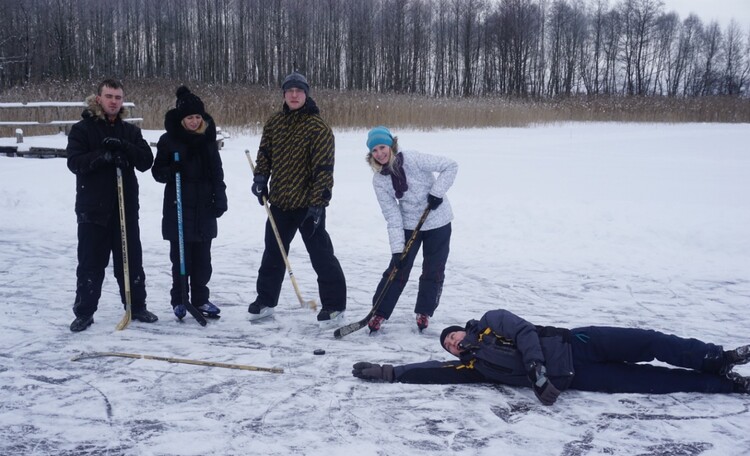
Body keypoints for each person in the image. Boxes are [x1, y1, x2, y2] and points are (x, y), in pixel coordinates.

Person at [352, 308, 750, 403]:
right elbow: (433, 372)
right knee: (654, 382)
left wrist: (535, 367)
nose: (454, 344)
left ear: (461, 328)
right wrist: (391, 371)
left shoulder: (490, 322)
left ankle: (718, 356)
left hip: (578, 343)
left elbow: (525, 331)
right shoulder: (474, 366)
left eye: (453, 336)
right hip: (578, 378)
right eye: (450, 346)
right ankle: (725, 384)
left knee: (650, 342)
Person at [249, 71, 347, 326]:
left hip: (308, 205)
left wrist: (318, 205)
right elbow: (264, 154)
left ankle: (334, 306)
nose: (294, 95)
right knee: (273, 253)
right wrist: (260, 177)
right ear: (284, 94)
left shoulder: (319, 127)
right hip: (280, 202)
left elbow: (324, 170)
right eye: (289, 91)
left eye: (299, 91)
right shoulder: (274, 122)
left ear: (306, 94)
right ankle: (265, 301)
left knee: (321, 255)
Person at [66, 78, 158, 332]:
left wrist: (124, 148)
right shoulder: (83, 130)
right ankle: (84, 312)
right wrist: (103, 156)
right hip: (92, 208)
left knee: (130, 261)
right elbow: (74, 162)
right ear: (99, 99)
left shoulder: (130, 131)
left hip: (125, 208)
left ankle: (136, 306)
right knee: (90, 263)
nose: (114, 102)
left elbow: (145, 160)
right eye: (109, 97)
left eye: (118, 97)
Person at [364, 126, 458, 333]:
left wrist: (436, 192)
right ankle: (378, 312)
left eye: (382, 147)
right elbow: (392, 215)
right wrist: (398, 249)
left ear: (391, 145)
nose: (379, 153)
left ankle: (424, 311)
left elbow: (450, 166)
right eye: (375, 151)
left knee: (433, 269)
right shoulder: (379, 180)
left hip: (438, 221)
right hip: (409, 226)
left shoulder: (413, 159)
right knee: (398, 268)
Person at [152, 86, 227, 320]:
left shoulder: (207, 140)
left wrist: (220, 197)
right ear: (181, 119)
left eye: (197, 117)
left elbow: (217, 172)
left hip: (204, 208)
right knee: (181, 260)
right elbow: (157, 172)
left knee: (203, 261)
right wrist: (169, 170)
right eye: (189, 117)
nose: (194, 121)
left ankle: (201, 299)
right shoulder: (168, 141)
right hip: (179, 207)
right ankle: (180, 299)